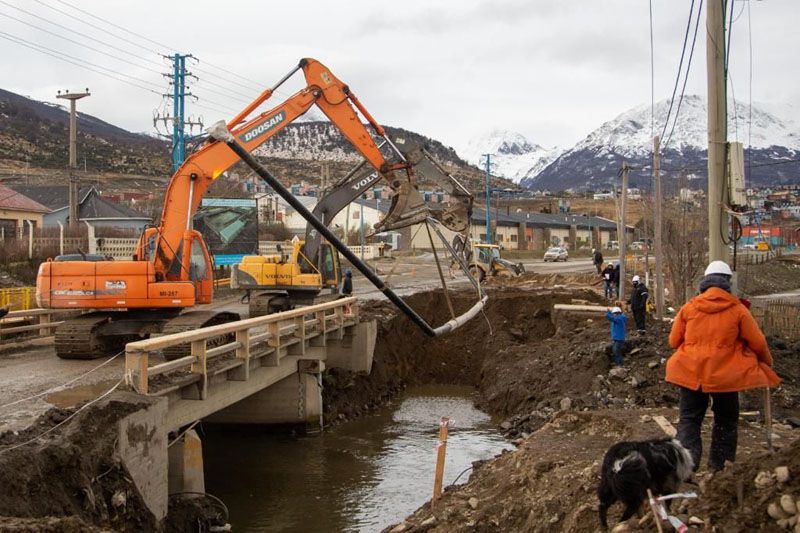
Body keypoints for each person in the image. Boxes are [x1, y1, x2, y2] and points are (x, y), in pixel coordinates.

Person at [666, 260, 780, 472]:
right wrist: (766, 364)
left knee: (689, 419)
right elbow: (758, 342)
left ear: (705, 282)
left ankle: (686, 468)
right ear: (728, 282)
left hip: (691, 373)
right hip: (725, 376)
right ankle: (720, 469)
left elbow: (673, 341)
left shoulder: (689, 307)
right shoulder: (737, 310)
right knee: (726, 420)